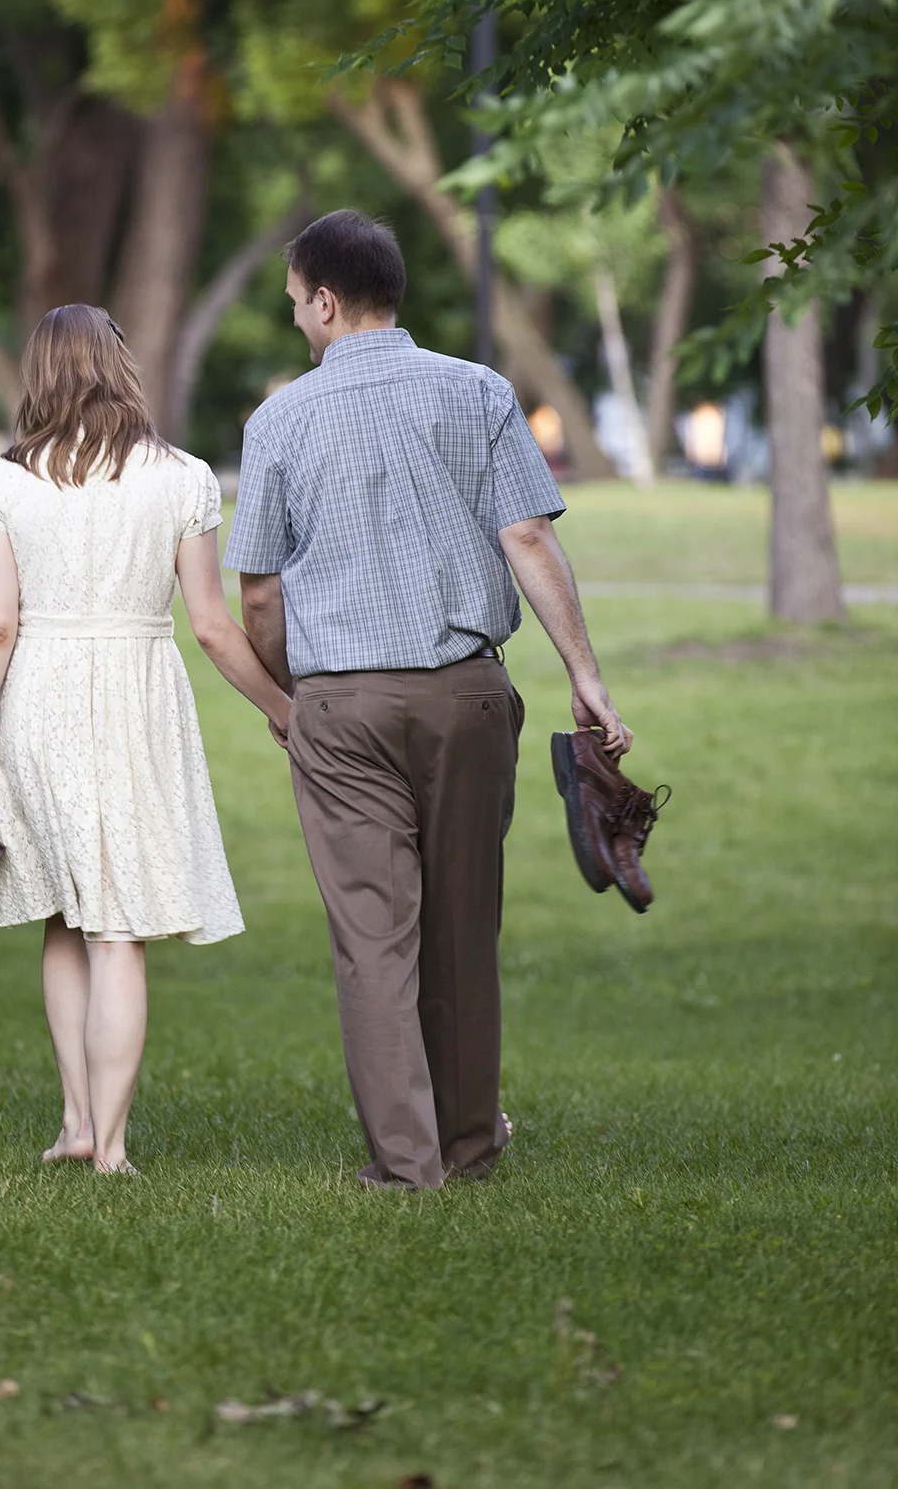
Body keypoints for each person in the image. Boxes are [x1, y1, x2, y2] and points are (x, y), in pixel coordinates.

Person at [226, 210, 632, 1191]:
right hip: (466, 696)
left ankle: (406, 1168)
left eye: (293, 306)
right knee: (462, 925)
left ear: (323, 301)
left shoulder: (277, 420)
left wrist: (295, 691)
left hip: (340, 706)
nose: (295, 323)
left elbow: (256, 593)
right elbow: (527, 540)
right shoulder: (478, 391)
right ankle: (468, 1146)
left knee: (373, 936)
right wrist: (582, 671)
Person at [0, 305, 291, 1176]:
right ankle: (112, 1147)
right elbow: (211, 625)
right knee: (116, 925)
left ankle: (77, 1123)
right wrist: (281, 707)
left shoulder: (7, 483)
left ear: (39, 372)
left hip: (39, 701)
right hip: (138, 696)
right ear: (121, 366)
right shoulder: (184, 478)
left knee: (63, 915)